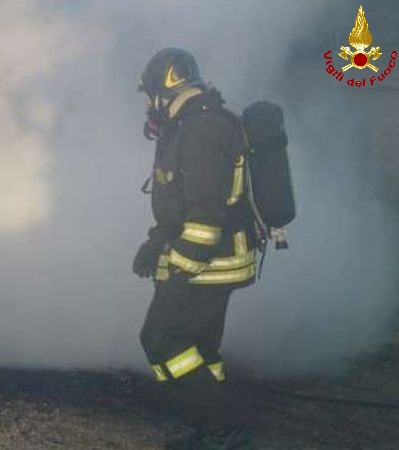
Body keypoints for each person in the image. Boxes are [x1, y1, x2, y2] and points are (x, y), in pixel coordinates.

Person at [133, 48, 257, 449]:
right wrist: (155, 244)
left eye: (149, 97)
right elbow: (179, 205)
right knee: (203, 349)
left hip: (209, 264)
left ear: (162, 90)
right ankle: (214, 431)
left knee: (162, 341)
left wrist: (178, 272)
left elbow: (205, 218)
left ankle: (224, 427)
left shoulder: (202, 130)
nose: (149, 108)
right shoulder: (192, 124)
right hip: (211, 261)